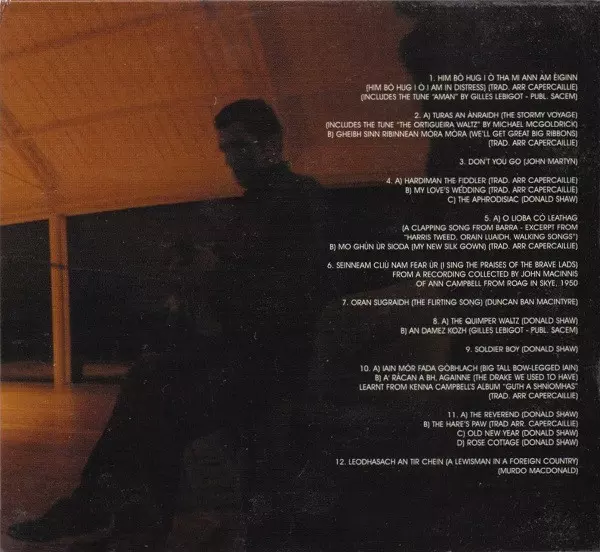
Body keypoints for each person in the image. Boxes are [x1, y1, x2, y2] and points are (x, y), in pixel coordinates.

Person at [8, 99, 330, 552]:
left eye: (240, 146)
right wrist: (193, 282)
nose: (231, 159)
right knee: (148, 378)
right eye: (225, 149)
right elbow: (236, 283)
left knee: (153, 391)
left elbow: (293, 291)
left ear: (273, 144)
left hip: (270, 365)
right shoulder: (252, 209)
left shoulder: (300, 198)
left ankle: (112, 514)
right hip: (237, 354)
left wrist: (213, 274)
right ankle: (115, 514)